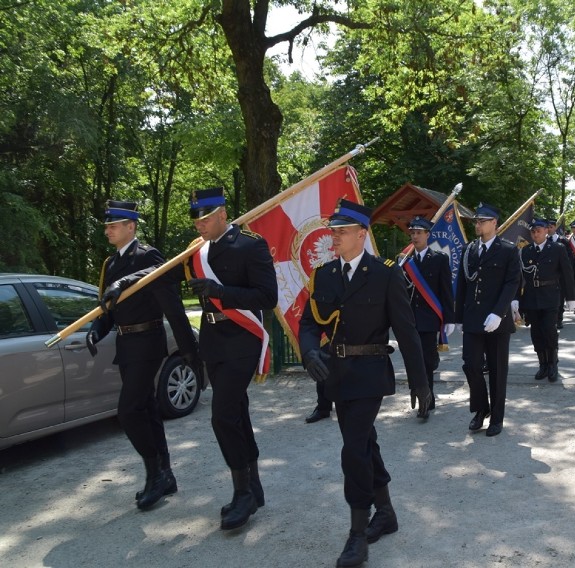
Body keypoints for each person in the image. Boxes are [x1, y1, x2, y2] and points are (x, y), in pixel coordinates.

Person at [102, 187, 278, 531]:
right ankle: (252, 485)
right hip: (213, 342)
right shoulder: (197, 251)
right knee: (237, 413)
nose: (200, 225)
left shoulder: (250, 245)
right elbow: (159, 272)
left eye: (207, 218)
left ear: (223, 214)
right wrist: (123, 281)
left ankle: (242, 494)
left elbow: (267, 296)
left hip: (243, 339)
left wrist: (220, 292)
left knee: (223, 416)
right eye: (196, 219)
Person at [299, 199, 432, 568]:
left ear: (362, 234)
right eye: (333, 231)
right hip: (336, 373)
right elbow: (310, 324)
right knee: (364, 442)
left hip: (371, 372)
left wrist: (420, 383)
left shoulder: (385, 274)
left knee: (353, 447)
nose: (334, 237)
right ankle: (386, 512)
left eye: (341, 231)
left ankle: (357, 534)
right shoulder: (324, 275)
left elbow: (406, 332)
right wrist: (310, 352)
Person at [88, 200, 200, 511]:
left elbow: (167, 289)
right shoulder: (110, 264)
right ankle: (165, 474)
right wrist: (98, 328)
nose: (108, 230)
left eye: (113, 225)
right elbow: (109, 305)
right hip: (125, 346)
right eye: (107, 226)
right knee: (148, 409)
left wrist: (188, 346)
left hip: (147, 341)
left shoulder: (146, 255)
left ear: (131, 227)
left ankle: (155, 475)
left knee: (129, 411)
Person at [455, 203, 521, 437]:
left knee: (497, 370)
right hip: (473, 318)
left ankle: (497, 417)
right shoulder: (469, 250)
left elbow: (511, 283)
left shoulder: (508, 250)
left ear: (494, 223)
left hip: (497, 320)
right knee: (470, 365)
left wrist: (499, 312)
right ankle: (481, 408)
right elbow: (462, 284)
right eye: (476, 221)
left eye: (482, 221)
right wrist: (458, 316)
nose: (478, 225)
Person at [403, 216, 456, 414]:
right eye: (412, 233)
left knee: (426, 360)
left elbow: (446, 291)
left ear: (427, 235)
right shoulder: (405, 261)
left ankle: (427, 398)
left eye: (419, 233)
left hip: (429, 318)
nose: (415, 236)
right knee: (412, 359)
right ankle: (416, 391)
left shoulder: (439, 259)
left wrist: (449, 318)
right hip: (409, 319)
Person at [514, 218, 575, 382]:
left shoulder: (557, 249)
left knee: (549, 330)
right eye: (533, 231)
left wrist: (571, 297)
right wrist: (516, 299)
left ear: (546, 231)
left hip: (550, 296)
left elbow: (567, 273)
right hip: (531, 297)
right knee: (536, 332)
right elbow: (519, 277)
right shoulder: (525, 251)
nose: (535, 234)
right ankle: (542, 364)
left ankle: (553, 363)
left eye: (538, 231)